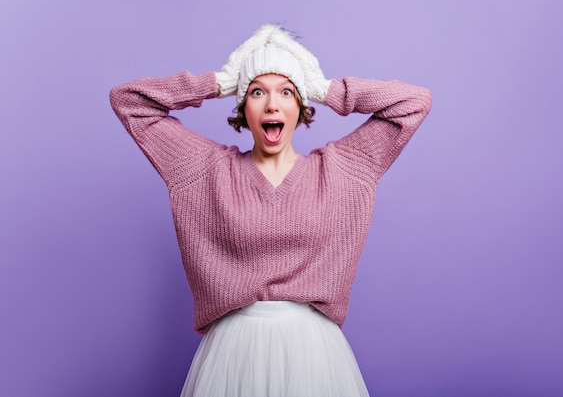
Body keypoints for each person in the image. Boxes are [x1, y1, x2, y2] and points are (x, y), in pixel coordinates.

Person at [110, 24, 432, 397]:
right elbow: (129, 101)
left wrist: (328, 89)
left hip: (314, 353)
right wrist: (219, 81)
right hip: (233, 353)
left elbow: (414, 102)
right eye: (257, 92)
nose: (272, 104)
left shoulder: (342, 168)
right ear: (243, 107)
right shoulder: (206, 169)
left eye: (287, 92)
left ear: (302, 105)